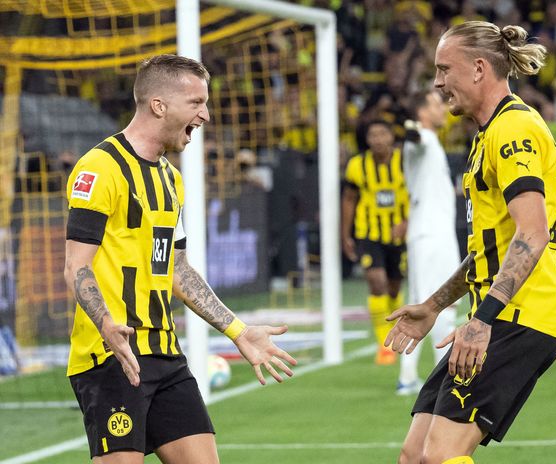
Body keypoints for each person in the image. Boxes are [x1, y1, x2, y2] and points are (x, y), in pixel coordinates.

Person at [63, 55, 297, 463]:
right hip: (112, 356)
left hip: (166, 356)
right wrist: (105, 324)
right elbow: (76, 266)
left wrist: (238, 331)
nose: (205, 115)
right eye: (196, 103)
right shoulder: (99, 169)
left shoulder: (171, 179)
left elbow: (177, 269)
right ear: (159, 105)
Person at [385, 21, 556, 463]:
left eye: (444, 69)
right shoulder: (488, 134)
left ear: (480, 68)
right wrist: (434, 306)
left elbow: (532, 234)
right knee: (414, 454)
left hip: (520, 315)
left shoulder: (513, 129)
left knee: (439, 456)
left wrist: (483, 320)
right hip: (496, 313)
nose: (437, 82)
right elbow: (488, 252)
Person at [396, 90, 461, 396]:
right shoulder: (420, 139)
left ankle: (408, 377)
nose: (443, 108)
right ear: (422, 112)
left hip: (429, 233)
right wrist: (410, 128)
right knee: (440, 302)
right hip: (431, 235)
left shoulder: (431, 141)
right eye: (436, 104)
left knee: (424, 301)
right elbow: (413, 138)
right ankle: (443, 378)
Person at [342, 119, 409, 365]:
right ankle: (384, 344)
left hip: (399, 235)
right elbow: (349, 199)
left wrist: (407, 222)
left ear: (392, 136)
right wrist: (345, 234)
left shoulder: (405, 160)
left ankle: (395, 331)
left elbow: (420, 193)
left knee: (393, 288)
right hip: (368, 234)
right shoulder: (357, 165)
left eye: (382, 133)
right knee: (376, 282)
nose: (378, 139)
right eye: (373, 135)